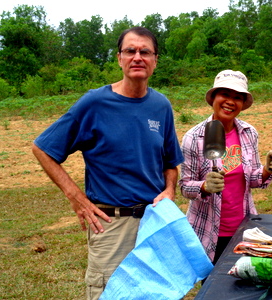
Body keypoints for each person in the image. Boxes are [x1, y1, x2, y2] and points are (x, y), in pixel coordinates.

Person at [32, 27, 184, 299]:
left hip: (154, 223)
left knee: (157, 294)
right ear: (119, 58)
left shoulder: (161, 106)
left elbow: (170, 162)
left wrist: (170, 189)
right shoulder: (95, 103)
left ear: (155, 60)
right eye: (130, 51)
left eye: (145, 52)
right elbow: (43, 148)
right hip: (111, 225)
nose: (138, 57)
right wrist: (76, 197)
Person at [178, 70, 272, 264]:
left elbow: (252, 179)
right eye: (225, 94)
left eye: (237, 97)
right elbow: (185, 187)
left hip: (244, 227)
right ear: (214, 98)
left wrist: (267, 169)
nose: (230, 101)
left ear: (243, 104)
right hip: (208, 231)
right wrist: (204, 186)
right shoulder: (193, 137)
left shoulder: (248, 132)